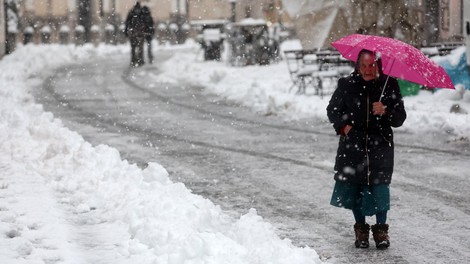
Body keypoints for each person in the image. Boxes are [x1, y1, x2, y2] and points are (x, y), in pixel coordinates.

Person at [326, 49, 407, 250]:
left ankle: (381, 230)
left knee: (379, 187)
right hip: (353, 144)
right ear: (357, 65)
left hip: (380, 144)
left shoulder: (389, 84)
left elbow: (400, 118)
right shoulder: (346, 85)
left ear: (378, 65)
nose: (367, 69)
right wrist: (344, 127)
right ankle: (361, 229)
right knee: (355, 186)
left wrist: (385, 110)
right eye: (363, 65)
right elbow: (333, 110)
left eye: (372, 65)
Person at [125, 2, 145, 67]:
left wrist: (126, 31)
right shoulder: (142, 13)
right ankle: (140, 60)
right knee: (140, 47)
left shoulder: (131, 12)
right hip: (140, 32)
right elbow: (145, 22)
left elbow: (127, 23)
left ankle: (133, 60)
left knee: (133, 47)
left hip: (133, 32)